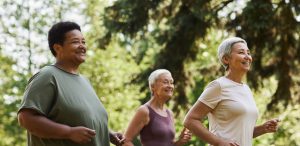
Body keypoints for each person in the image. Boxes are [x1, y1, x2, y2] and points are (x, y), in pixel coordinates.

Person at [17, 21, 123, 146]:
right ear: (57, 48)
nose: (82, 46)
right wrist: (68, 132)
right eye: (75, 42)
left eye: (83, 42)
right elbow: (26, 119)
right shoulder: (47, 76)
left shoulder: (85, 81)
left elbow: (85, 118)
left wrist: (108, 133)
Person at [184, 37, 280, 146]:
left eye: (248, 53)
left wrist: (262, 129)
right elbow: (190, 120)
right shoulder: (218, 86)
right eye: (241, 52)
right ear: (226, 59)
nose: (247, 57)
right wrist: (219, 142)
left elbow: (239, 132)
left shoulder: (246, 89)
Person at [122, 69, 192, 146]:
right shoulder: (144, 111)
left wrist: (180, 141)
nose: (170, 86)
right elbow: (125, 141)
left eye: (171, 83)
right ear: (152, 86)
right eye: (165, 82)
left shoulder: (170, 113)